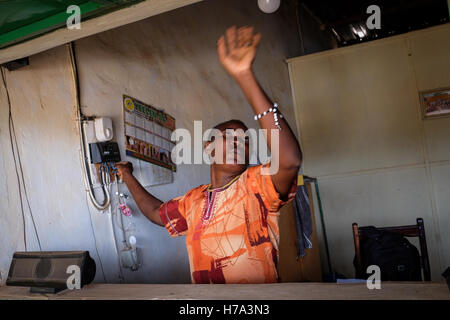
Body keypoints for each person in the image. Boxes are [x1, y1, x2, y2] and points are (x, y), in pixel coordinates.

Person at [116, 26, 302, 283]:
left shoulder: (256, 185)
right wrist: (126, 176)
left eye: (246, 141)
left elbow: (290, 160)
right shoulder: (193, 201)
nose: (238, 143)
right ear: (209, 147)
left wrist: (244, 75)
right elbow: (157, 212)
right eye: (229, 136)